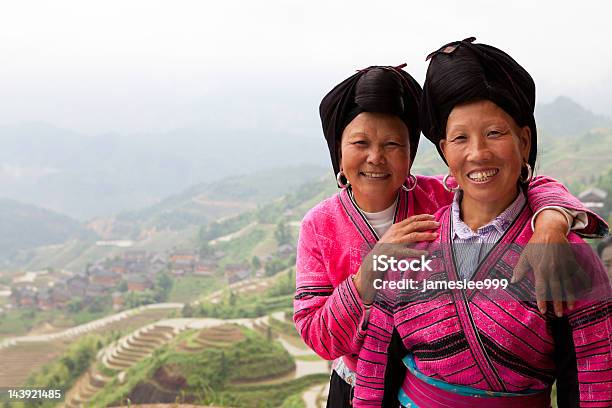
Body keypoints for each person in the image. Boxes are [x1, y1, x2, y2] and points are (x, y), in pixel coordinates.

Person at [293, 62, 608, 407]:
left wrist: (550, 222)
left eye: (393, 144)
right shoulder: (320, 225)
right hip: (358, 383)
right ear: (338, 151)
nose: (375, 158)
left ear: (412, 152)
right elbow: (318, 336)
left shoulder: (438, 197)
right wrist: (373, 266)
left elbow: (518, 182)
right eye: (360, 142)